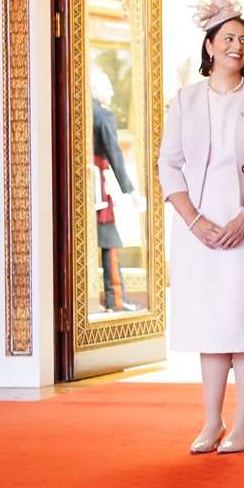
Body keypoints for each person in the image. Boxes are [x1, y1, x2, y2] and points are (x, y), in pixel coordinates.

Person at [156, 0, 244, 455]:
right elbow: (168, 164)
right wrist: (193, 220)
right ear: (209, 46)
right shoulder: (185, 99)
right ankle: (211, 421)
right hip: (199, 227)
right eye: (229, 38)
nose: (237, 46)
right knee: (210, 321)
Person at [91, 71, 138, 312]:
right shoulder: (102, 114)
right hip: (96, 187)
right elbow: (114, 154)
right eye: (107, 87)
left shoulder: (82, 111)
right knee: (110, 240)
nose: (111, 92)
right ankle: (115, 299)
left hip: (85, 186)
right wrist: (129, 190)